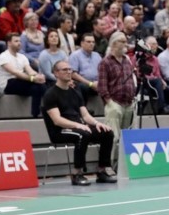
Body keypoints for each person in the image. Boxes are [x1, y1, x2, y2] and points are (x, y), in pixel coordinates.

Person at [43, 60, 117, 186]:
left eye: (69, 69)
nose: (68, 72)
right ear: (56, 73)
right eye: (64, 69)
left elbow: (85, 114)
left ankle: (102, 170)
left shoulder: (75, 92)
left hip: (79, 128)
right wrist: (78, 125)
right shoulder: (50, 94)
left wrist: (96, 123)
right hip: (59, 130)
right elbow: (57, 120)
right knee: (83, 134)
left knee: (107, 132)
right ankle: (77, 173)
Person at [98, 31, 136, 164]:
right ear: (114, 44)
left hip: (129, 103)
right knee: (113, 137)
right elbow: (102, 86)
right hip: (114, 103)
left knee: (127, 138)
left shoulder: (127, 60)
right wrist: (110, 102)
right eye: (123, 42)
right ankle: (107, 165)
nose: (126, 44)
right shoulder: (105, 62)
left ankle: (123, 165)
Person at [0, 33, 46, 117]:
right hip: (7, 84)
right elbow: (15, 73)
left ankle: (36, 113)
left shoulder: (22, 57)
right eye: (16, 41)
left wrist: (39, 76)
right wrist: (33, 79)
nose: (19, 43)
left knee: (40, 86)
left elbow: (30, 71)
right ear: (9, 43)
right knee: (33, 84)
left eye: (20, 41)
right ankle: (36, 113)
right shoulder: (3, 56)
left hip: (20, 81)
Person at [70, 33, 102, 104]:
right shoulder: (75, 55)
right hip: (82, 83)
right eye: (88, 42)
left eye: (93, 42)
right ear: (82, 43)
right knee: (83, 87)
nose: (91, 44)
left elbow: (102, 72)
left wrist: (99, 82)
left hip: (96, 83)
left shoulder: (97, 55)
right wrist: (90, 83)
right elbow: (73, 74)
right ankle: (83, 109)